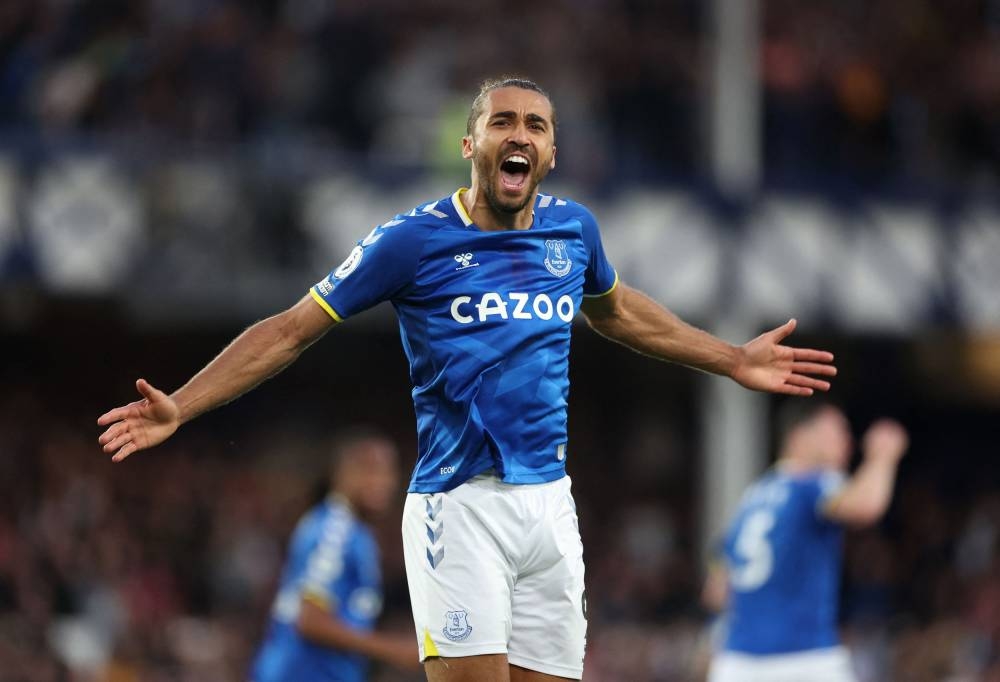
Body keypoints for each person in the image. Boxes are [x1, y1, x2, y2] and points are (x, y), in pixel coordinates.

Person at [98, 76, 837, 682]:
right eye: (503, 122)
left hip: (551, 506)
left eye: (537, 126)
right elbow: (292, 330)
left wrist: (732, 359)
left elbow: (619, 314)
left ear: (550, 152)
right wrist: (183, 407)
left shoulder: (572, 232)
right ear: (471, 143)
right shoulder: (412, 241)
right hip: (459, 507)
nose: (520, 135)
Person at [702, 401, 908, 682]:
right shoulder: (811, 482)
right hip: (805, 658)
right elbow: (865, 506)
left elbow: (715, 592)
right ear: (799, 435)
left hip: (737, 662)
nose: (847, 441)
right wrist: (883, 456)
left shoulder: (753, 497)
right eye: (836, 431)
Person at [250, 429, 418, 681]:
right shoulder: (334, 531)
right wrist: (394, 650)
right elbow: (309, 620)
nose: (382, 480)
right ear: (341, 473)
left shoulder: (358, 533)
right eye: (369, 468)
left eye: (388, 470)